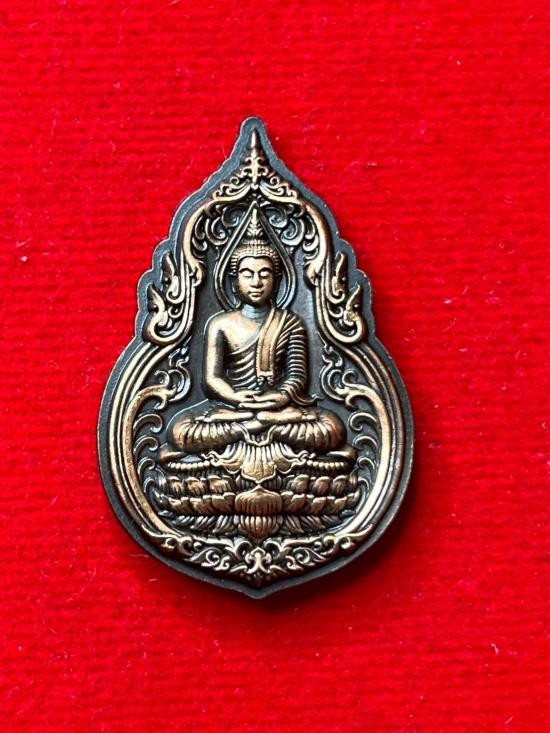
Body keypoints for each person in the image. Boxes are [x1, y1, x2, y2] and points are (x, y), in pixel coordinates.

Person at [167, 218, 346, 456]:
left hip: (277, 410)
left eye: (264, 274)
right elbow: (212, 379)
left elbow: (297, 376)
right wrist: (234, 397)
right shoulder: (220, 324)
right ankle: (258, 426)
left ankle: (255, 427)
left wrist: (281, 396)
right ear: (234, 281)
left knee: (332, 428)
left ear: (276, 281)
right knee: (182, 431)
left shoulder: (290, 322)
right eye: (247, 274)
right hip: (233, 410)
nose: (256, 282)